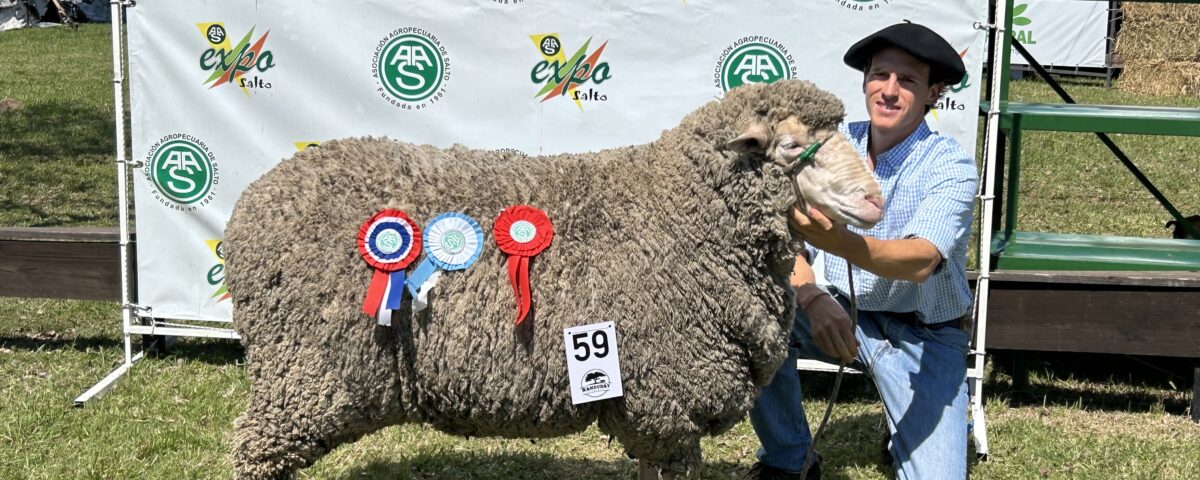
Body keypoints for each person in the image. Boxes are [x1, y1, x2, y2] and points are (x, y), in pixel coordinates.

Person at [743, 22, 978, 480]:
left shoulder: (951, 165)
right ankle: (788, 460)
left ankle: (908, 422)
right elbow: (782, 240)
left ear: (933, 93)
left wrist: (840, 244)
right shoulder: (827, 144)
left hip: (924, 335)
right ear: (865, 80)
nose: (888, 91)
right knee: (757, 312)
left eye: (907, 80)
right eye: (879, 75)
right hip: (840, 308)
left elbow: (922, 259)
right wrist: (812, 297)